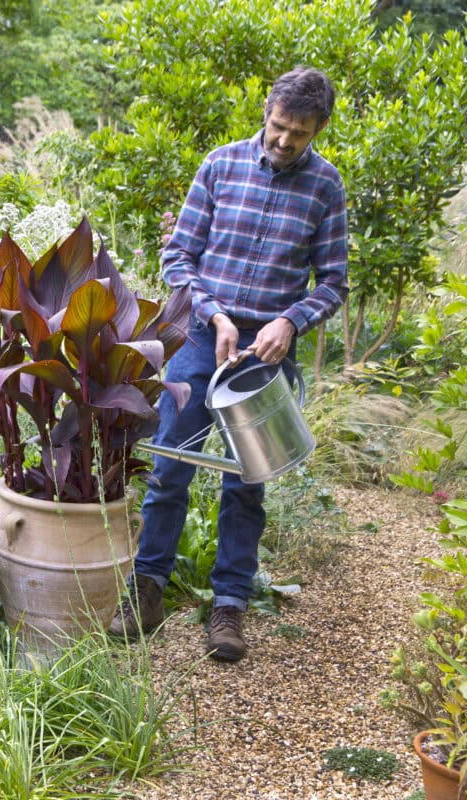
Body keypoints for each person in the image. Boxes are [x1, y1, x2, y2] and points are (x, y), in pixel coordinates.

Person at [108, 66, 349, 661]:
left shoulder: (326, 187)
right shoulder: (219, 165)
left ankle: (229, 607)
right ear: (266, 112)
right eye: (278, 126)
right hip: (200, 337)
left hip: (267, 355)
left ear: (319, 128)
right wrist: (215, 316)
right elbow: (179, 256)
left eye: (300, 133)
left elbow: (335, 281)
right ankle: (148, 590)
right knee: (169, 469)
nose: (285, 141)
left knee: (246, 482)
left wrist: (290, 321)